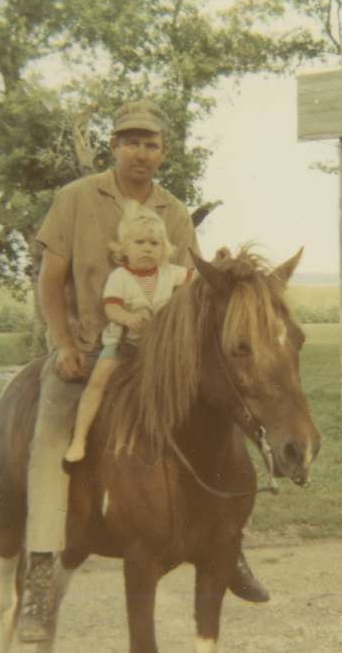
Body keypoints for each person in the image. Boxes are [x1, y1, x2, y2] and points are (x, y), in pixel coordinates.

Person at [19, 98, 269, 644]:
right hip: (90, 350)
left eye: (150, 143)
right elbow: (50, 278)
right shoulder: (76, 199)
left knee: (227, 419)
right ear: (113, 146)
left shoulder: (175, 213)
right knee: (50, 436)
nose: (140, 152)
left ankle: (230, 544)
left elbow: (195, 290)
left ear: (163, 152)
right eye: (130, 141)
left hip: (159, 362)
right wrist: (61, 342)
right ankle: (40, 570)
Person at [64, 201, 190, 462]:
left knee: (172, 382)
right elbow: (111, 308)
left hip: (155, 347)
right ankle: (80, 438)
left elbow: (196, 276)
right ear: (124, 249)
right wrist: (127, 317)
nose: (147, 249)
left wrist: (219, 264)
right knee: (98, 381)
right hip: (121, 342)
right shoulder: (120, 277)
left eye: (154, 244)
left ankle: (167, 436)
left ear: (164, 249)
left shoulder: (169, 273)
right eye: (140, 242)